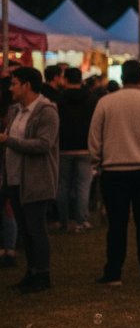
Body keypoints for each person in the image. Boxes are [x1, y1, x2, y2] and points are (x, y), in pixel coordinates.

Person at [89, 60, 140, 285]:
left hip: (114, 170)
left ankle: (113, 272)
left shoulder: (106, 103)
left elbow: (95, 138)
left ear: (123, 77)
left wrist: (97, 162)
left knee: (116, 224)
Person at [1, 67, 59, 293]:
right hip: (15, 179)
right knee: (25, 230)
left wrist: (9, 141)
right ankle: (31, 272)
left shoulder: (46, 111)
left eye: (14, 83)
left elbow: (44, 144)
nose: (11, 88)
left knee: (36, 229)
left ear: (26, 85)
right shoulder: (16, 111)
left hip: (36, 180)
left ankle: (42, 274)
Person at [55, 67, 97, 233]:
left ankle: (63, 221)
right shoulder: (91, 99)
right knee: (83, 185)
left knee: (63, 185)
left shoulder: (59, 99)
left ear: (65, 79)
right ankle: (81, 220)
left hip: (64, 147)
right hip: (85, 148)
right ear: (81, 80)